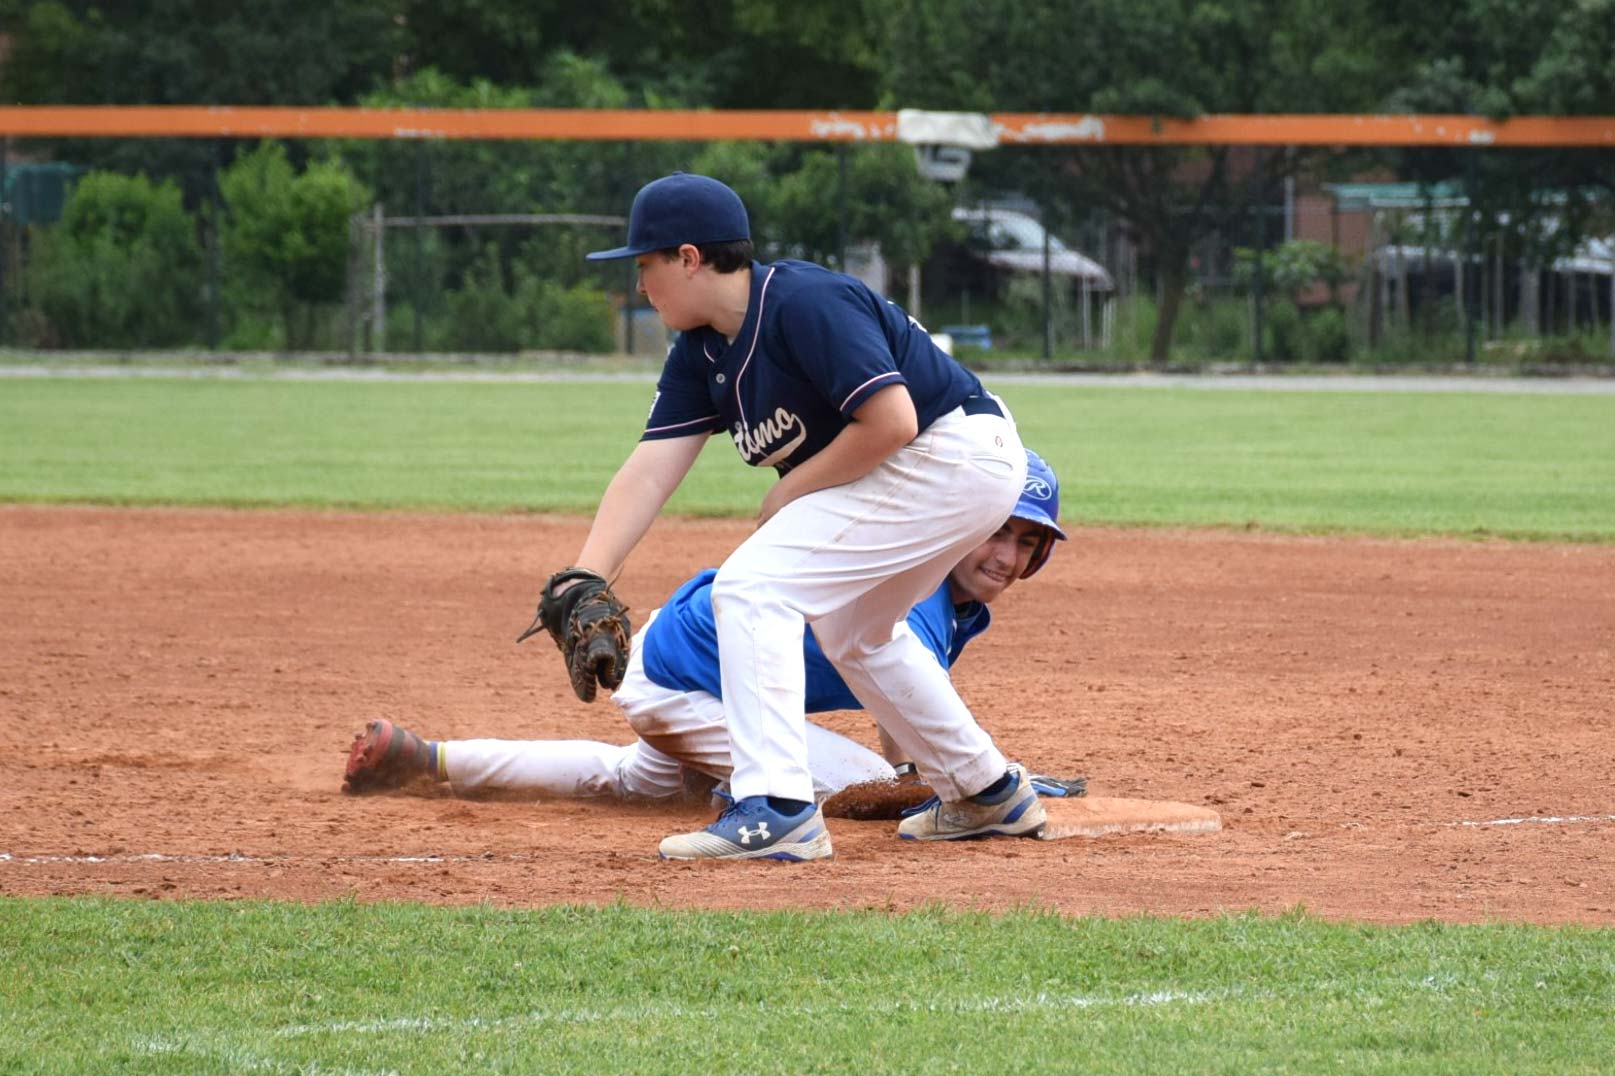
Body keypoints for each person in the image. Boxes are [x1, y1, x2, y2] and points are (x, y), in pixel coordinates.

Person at [542, 172, 1045, 861]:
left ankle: (775, 806)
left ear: (688, 258)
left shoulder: (803, 301)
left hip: (950, 453)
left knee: (751, 587)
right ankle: (986, 791)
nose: (638, 284)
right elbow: (650, 468)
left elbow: (892, 421)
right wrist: (583, 575)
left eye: (645, 264)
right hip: (940, 468)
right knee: (856, 631)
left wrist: (789, 491)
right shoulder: (703, 350)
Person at [345, 453, 1071, 822]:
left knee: (635, 781)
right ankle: (738, 786)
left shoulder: (930, 581)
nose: (1003, 555)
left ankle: (426, 759)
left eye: (1025, 542)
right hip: (685, 687)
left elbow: (902, 708)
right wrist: (983, 779)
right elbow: (903, 721)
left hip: (678, 658)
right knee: (872, 791)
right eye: (995, 531)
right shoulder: (917, 588)